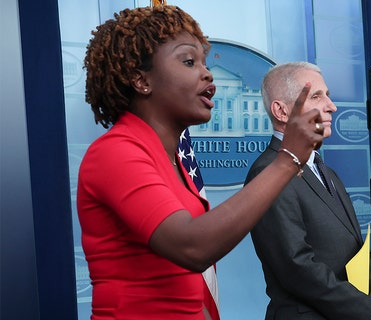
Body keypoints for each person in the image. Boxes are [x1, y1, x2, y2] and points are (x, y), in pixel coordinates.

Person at [78, 6, 324, 320]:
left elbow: (187, 284)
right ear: (141, 80)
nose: (207, 73)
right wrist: (287, 159)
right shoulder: (115, 152)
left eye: (205, 63)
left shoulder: (173, 159)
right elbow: (192, 248)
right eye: (189, 61)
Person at [245, 62, 371, 320]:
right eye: (316, 96)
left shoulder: (326, 171)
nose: (331, 106)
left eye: (328, 95)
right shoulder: (267, 173)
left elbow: (359, 249)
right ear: (281, 111)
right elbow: (295, 266)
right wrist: (365, 309)